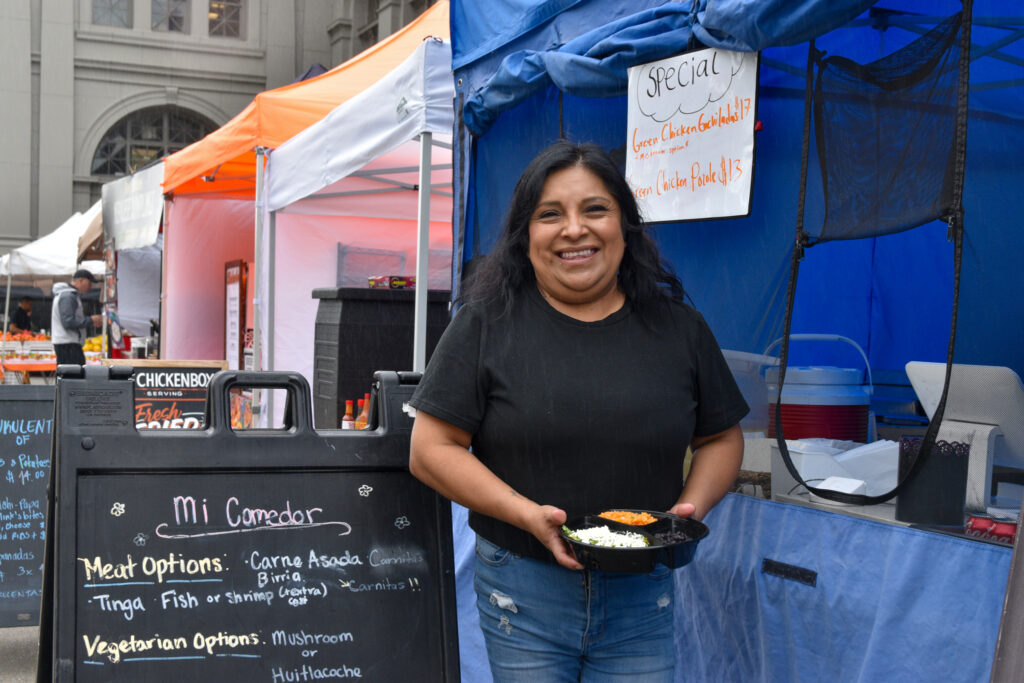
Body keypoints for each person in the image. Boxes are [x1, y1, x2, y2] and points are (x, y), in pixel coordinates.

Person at [408, 140, 748, 681]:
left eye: (595, 209)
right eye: (550, 215)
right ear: (525, 237)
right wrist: (525, 515)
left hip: (642, 590)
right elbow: (430, 451)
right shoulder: (484, 325)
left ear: (624, 226)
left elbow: (721, 439)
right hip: (523, 586)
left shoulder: (679, 329)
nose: (574, 229)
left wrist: (690, 509)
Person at [51, 269, 102, 365]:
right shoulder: (68, 296)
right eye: (89, 282)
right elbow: (68, 321)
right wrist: (90, 320)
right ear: (81, 280)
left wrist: (90, 321)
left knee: (71, 374)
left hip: (67, 343)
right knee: (73, 375)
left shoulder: (68, 295)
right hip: (68, 344)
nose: (91, 286)